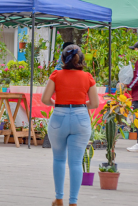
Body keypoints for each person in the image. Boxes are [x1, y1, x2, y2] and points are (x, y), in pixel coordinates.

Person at [41, 44, 99, 206]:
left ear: (62, 59)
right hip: (80, 119)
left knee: (59, 159)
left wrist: (58, 103)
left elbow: (45, 100)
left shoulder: (56, 75)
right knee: (75, 162)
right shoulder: (87, 77)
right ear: (80, 59)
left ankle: (59, 198)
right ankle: (73, 202)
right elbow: (94, 103)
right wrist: (80, 105)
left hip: (59, 117)